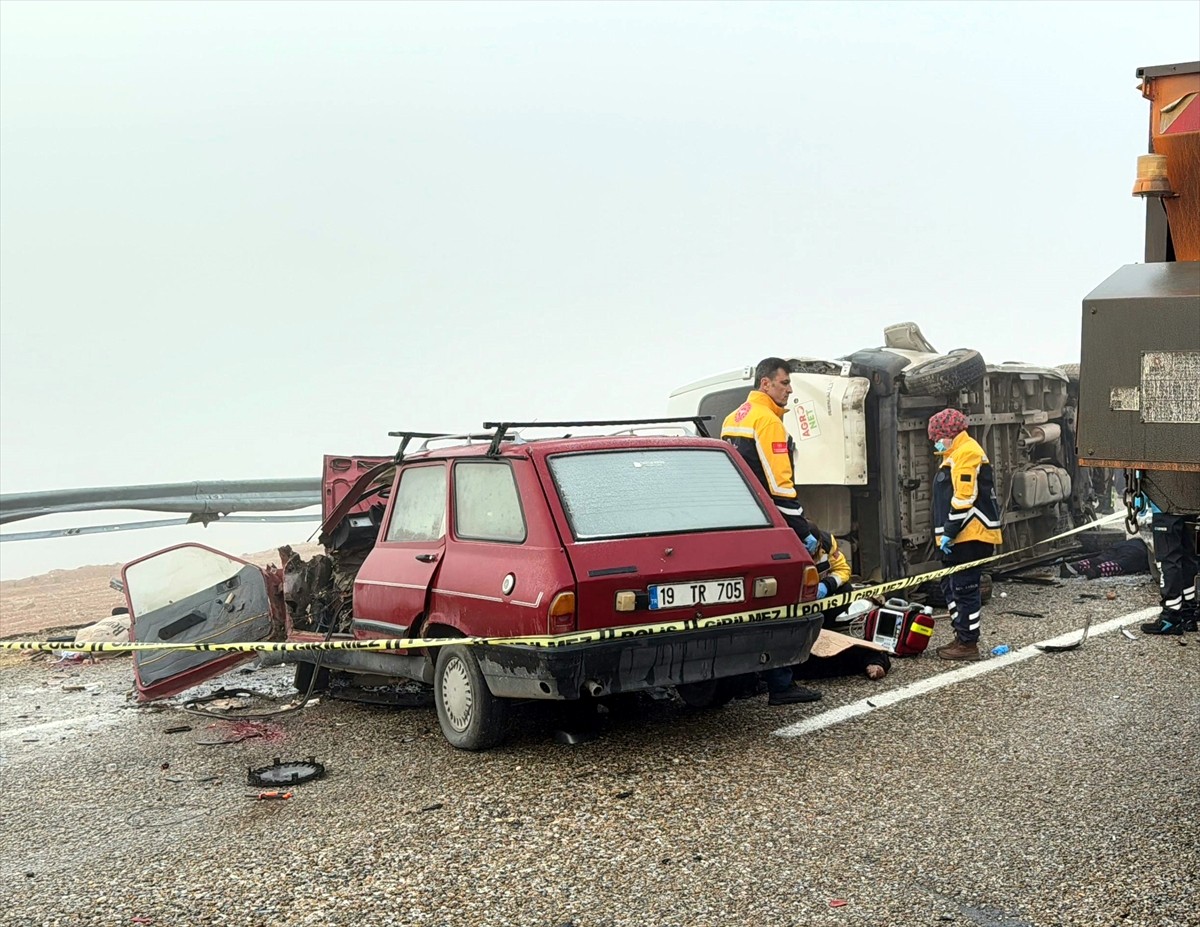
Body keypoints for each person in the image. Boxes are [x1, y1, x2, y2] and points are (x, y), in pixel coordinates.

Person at [723, 357, 822, 705]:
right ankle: (781, 684)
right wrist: (801, 530)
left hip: (736, 527)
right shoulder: (768, 423)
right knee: (782, 604)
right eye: (784, 383)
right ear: (765, 384)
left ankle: (742, 680)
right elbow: (781, 487)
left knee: (741, 605)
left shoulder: (732, 419)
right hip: (770, 529)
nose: (790, 389)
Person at [928, 408, 1003, 661]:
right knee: (949, 586)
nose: (934, 442)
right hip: (960, 537)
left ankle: (968, 644)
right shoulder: (954, 454)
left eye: (937, 436)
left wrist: (949, 531)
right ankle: (961, 635)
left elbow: (964, 496)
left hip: (971, 536)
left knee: (964, 588)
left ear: (949, 433)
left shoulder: (967, 452)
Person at [1141, 511, 1199, 635]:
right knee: (1188, 557)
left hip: (1165, 507)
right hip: (1188, 507)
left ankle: (1170, 618)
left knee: (1168, 559)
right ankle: (1188, 615)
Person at [1059, 538, 1150, 579]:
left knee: (1100, 559)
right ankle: (1097, 571)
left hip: (1122, 545)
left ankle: (1076, 567)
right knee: (1120, 564)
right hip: (1140, 551)